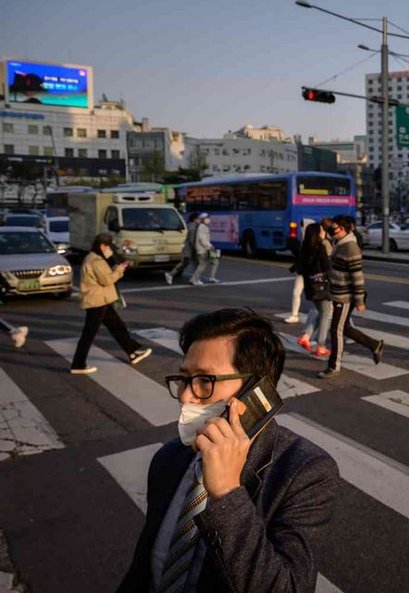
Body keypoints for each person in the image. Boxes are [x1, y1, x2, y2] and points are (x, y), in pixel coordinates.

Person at [116, 308, 339, 592]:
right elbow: (144, 568)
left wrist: (227, 493)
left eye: (205, 381)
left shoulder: (303, 471)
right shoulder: (170, 457)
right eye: (184, 378)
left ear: (257, 391)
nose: (186, 395)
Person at [70, 233, 152, 374]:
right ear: (102, 245)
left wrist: (115, 270)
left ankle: (132, 352)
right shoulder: (96, 261)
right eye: (109, 247)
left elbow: (104, 277)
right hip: (97, 301)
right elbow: (107, 280)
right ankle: (78, 364)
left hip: (101, 300)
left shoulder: (95, 258)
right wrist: (119, 270)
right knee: (89, 333)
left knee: (117, 326)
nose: (110, 250)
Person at [319, 215, 384, 378]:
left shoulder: (350, 247)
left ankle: (334, 366)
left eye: (335, 229)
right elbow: (339, 268)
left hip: (345, 296)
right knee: (344, 328)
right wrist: (326, 276)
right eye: (331, 229)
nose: (332, 231)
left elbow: (357, 276)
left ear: (344, 229)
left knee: (336, 330)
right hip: (338, 292)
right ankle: (375, 345)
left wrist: (360, 300)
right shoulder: (339, 244)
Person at [296, 219, 334, 360]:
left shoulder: (304, 248)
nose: (324, 233)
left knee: (320, 312)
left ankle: (305, 337)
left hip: (310, 287)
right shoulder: (320, 248)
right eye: (322, 230)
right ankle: (321, 346)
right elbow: (326, 267)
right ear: (317, 234)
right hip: (322, 287)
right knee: (325, 315)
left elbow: (300, 269)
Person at [165, 212, 199, 285]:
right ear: (194, 219)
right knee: (185, 263)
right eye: (198, 218)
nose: (199, 220)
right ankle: (170, 274)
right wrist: (197, 248)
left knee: (196, 263)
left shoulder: (195, 226)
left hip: (191, 249)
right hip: (189, 249)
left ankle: (194, 278)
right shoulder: (193, 227)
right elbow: (191, 240)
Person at [190, 213, 220, 286]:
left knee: (215, 261)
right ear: (203, 219)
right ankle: (194, 279)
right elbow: (202, 239)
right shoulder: (201, 227)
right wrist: (210, 246)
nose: (208, 219)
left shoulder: (204, 227)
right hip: (203, 249)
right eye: (207, 218)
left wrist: (210, 246)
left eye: (209, 218)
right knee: (202, 265)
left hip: (207, 249)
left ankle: (210, 278)